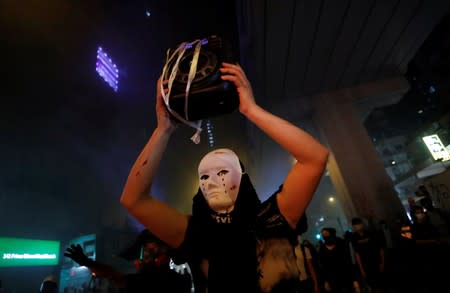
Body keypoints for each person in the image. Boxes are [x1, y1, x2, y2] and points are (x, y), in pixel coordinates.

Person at [120, 62, 329, 293]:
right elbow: (133, 200)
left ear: (241, 179)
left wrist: (251, 110)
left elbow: (315, 158)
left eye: (221, 172)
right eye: (204, 176)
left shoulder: (272, 219)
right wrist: (163, 129)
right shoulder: (195, 233)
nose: (210, 181)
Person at [63, 229, 193, 293]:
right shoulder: (182, 276)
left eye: (144, 255)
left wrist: (87, 262)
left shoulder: (155, 278)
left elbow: (113, 275)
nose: (137, 262)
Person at [350, 217, 386, 293]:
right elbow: (357, 254)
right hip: (365, 265)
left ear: (362, 224)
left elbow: (380, 248)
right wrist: (361, 268)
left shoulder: (371, 233)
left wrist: (382, 262)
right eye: (355, 225)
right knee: (372, 286)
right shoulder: (354, 237)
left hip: (376, 262)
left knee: (381, 284)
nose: (357, 227)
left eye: (358, 224)